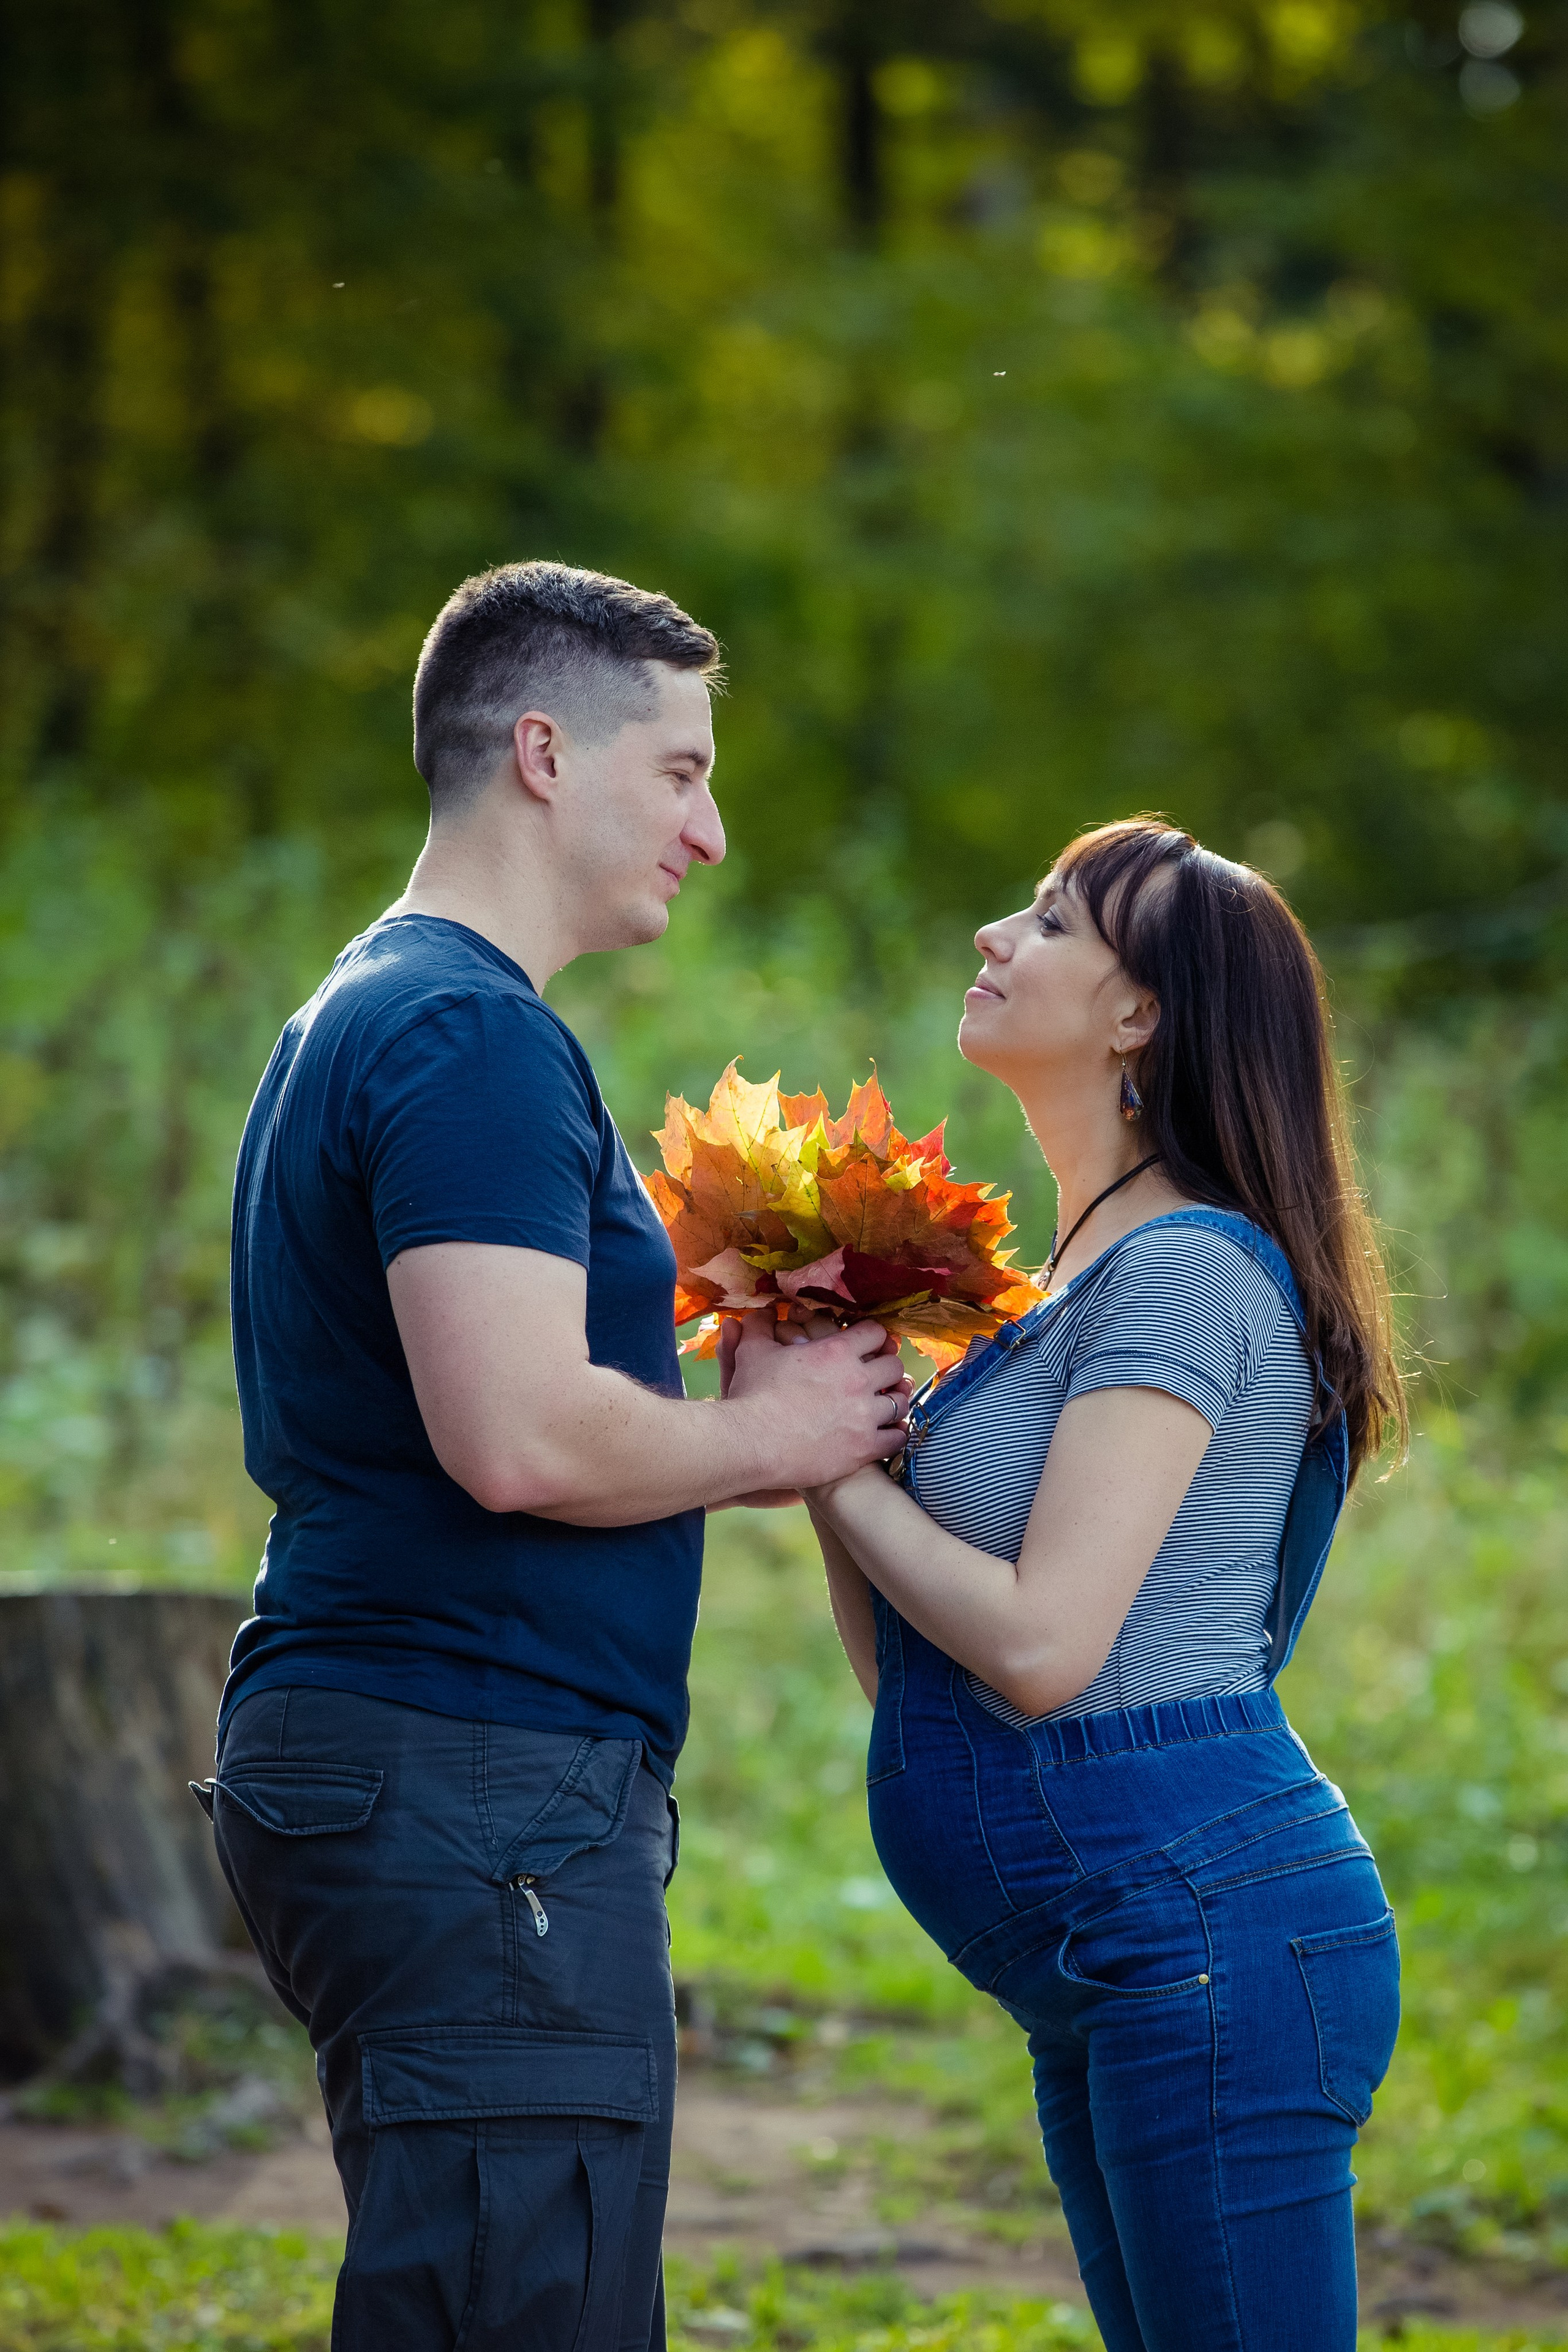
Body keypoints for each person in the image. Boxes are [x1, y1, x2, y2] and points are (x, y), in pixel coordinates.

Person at [195, 560, 910, 2352]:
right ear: (541, 753)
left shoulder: (376, 1008)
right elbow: (511, 1436)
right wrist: (774, 1436)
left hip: (430, 1767)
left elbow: (492, 1394)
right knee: (528, 2311)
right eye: (678, 772)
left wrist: (722, 1380)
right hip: (473, 1779)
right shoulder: (466, 1034)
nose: (713, 830)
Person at [791, 816, 1407, 2352]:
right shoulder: (1061, 1284)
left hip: (1209, 1932)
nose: (996, 936)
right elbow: (918, 1674)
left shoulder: (1189, 1270)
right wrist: (820, 1421)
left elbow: (1043, 1647)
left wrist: (823, 1463)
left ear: (1138, 1013)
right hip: (1118, 1955)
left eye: (1053, 922)